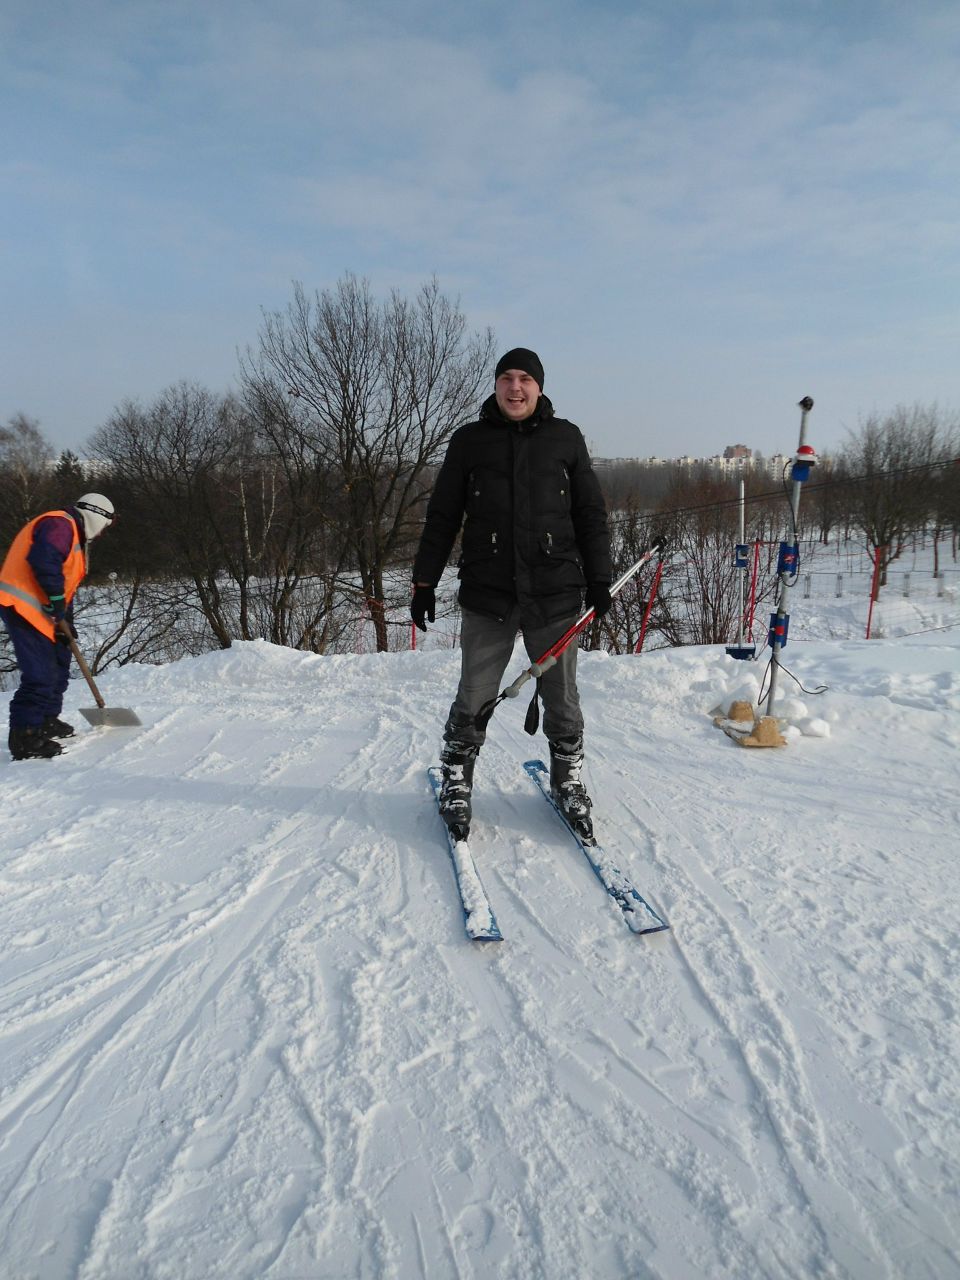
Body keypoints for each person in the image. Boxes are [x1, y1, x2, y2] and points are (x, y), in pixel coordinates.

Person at [411, 347, 612, 840]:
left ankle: (569, 780)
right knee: (476, 692)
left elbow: (590, 513)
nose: (515, 388)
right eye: (506, 378)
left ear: (539, 387)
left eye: (525, 379)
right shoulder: (469, 441)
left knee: (561, 695)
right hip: (489, 593)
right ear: (496, 385)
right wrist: (423, 581)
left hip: (555, 591)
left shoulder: (565, 438)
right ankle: (457, 779)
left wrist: (601, 578)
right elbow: (442, 517)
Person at [0, 493, 115, 760]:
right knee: (40, 674)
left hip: (43, 611)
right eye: (105, 527)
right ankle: (25, 735)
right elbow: (44, 560)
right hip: (22, 606)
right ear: (98, 516)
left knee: (60, 662)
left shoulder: (74, 533)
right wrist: (54, 599)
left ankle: (46, 719)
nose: (101, 534)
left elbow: (66, 587)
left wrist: (66, 622)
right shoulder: (60, 524)